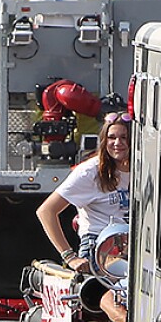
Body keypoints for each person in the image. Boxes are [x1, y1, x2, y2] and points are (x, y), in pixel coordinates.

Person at [38, 113, 130, 272]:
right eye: (111, 137)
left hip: (134, 247)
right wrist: (70, 257)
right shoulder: (90, 172)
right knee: (116, 290)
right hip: (100, 247)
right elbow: (46, 211)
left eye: (124, 137)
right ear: (103, 141)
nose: (117, 143)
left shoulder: (144, 168)